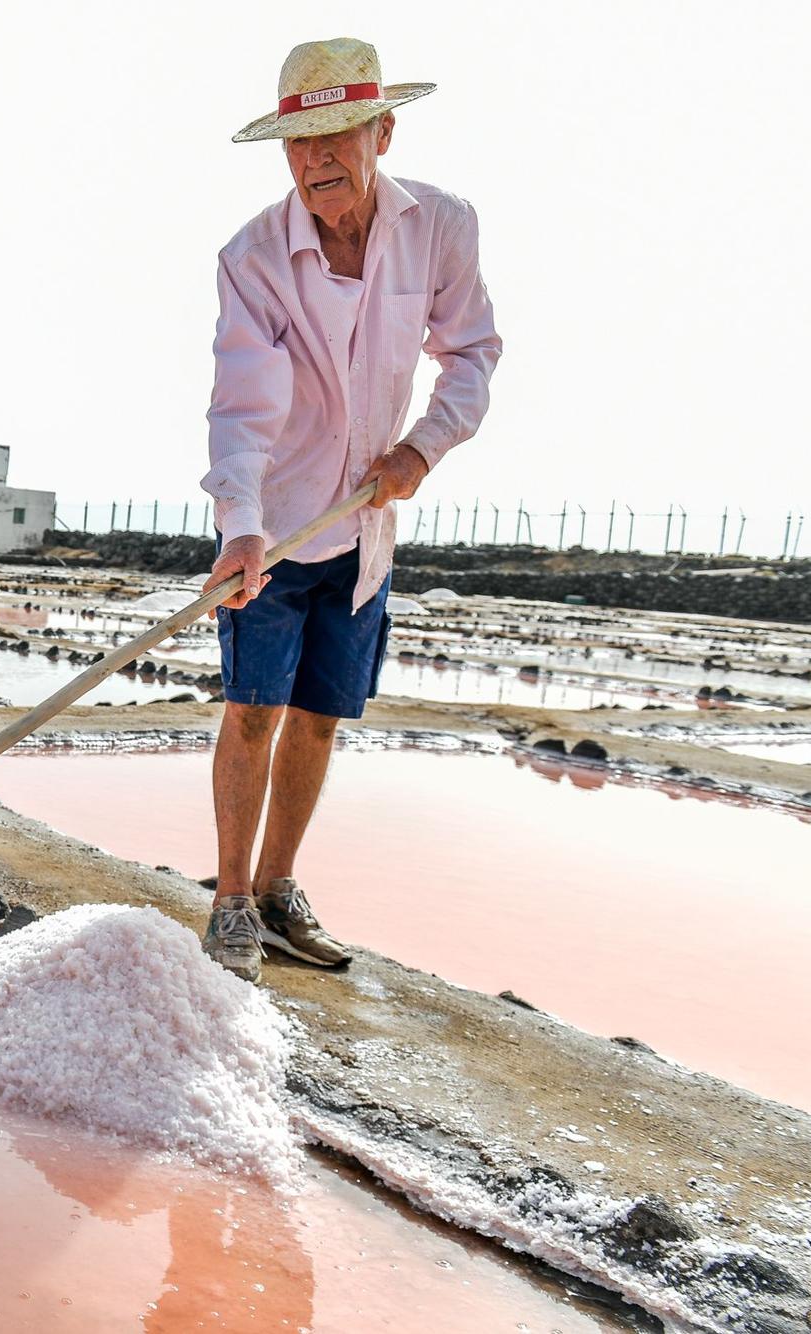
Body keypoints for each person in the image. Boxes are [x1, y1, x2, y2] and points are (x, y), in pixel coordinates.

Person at [198, 37, 502, 983]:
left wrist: (423, 446)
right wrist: (241, 525)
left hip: (368, 529)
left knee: (320, 718)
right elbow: (242, 404)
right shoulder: (253, 257)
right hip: (276, 527)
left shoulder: (441, 226)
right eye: (300, 141)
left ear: (382, 131)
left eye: (337, 135)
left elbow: (474, 353)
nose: (318, 159)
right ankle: (232, 903)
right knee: (253, 712)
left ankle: (282, 890)